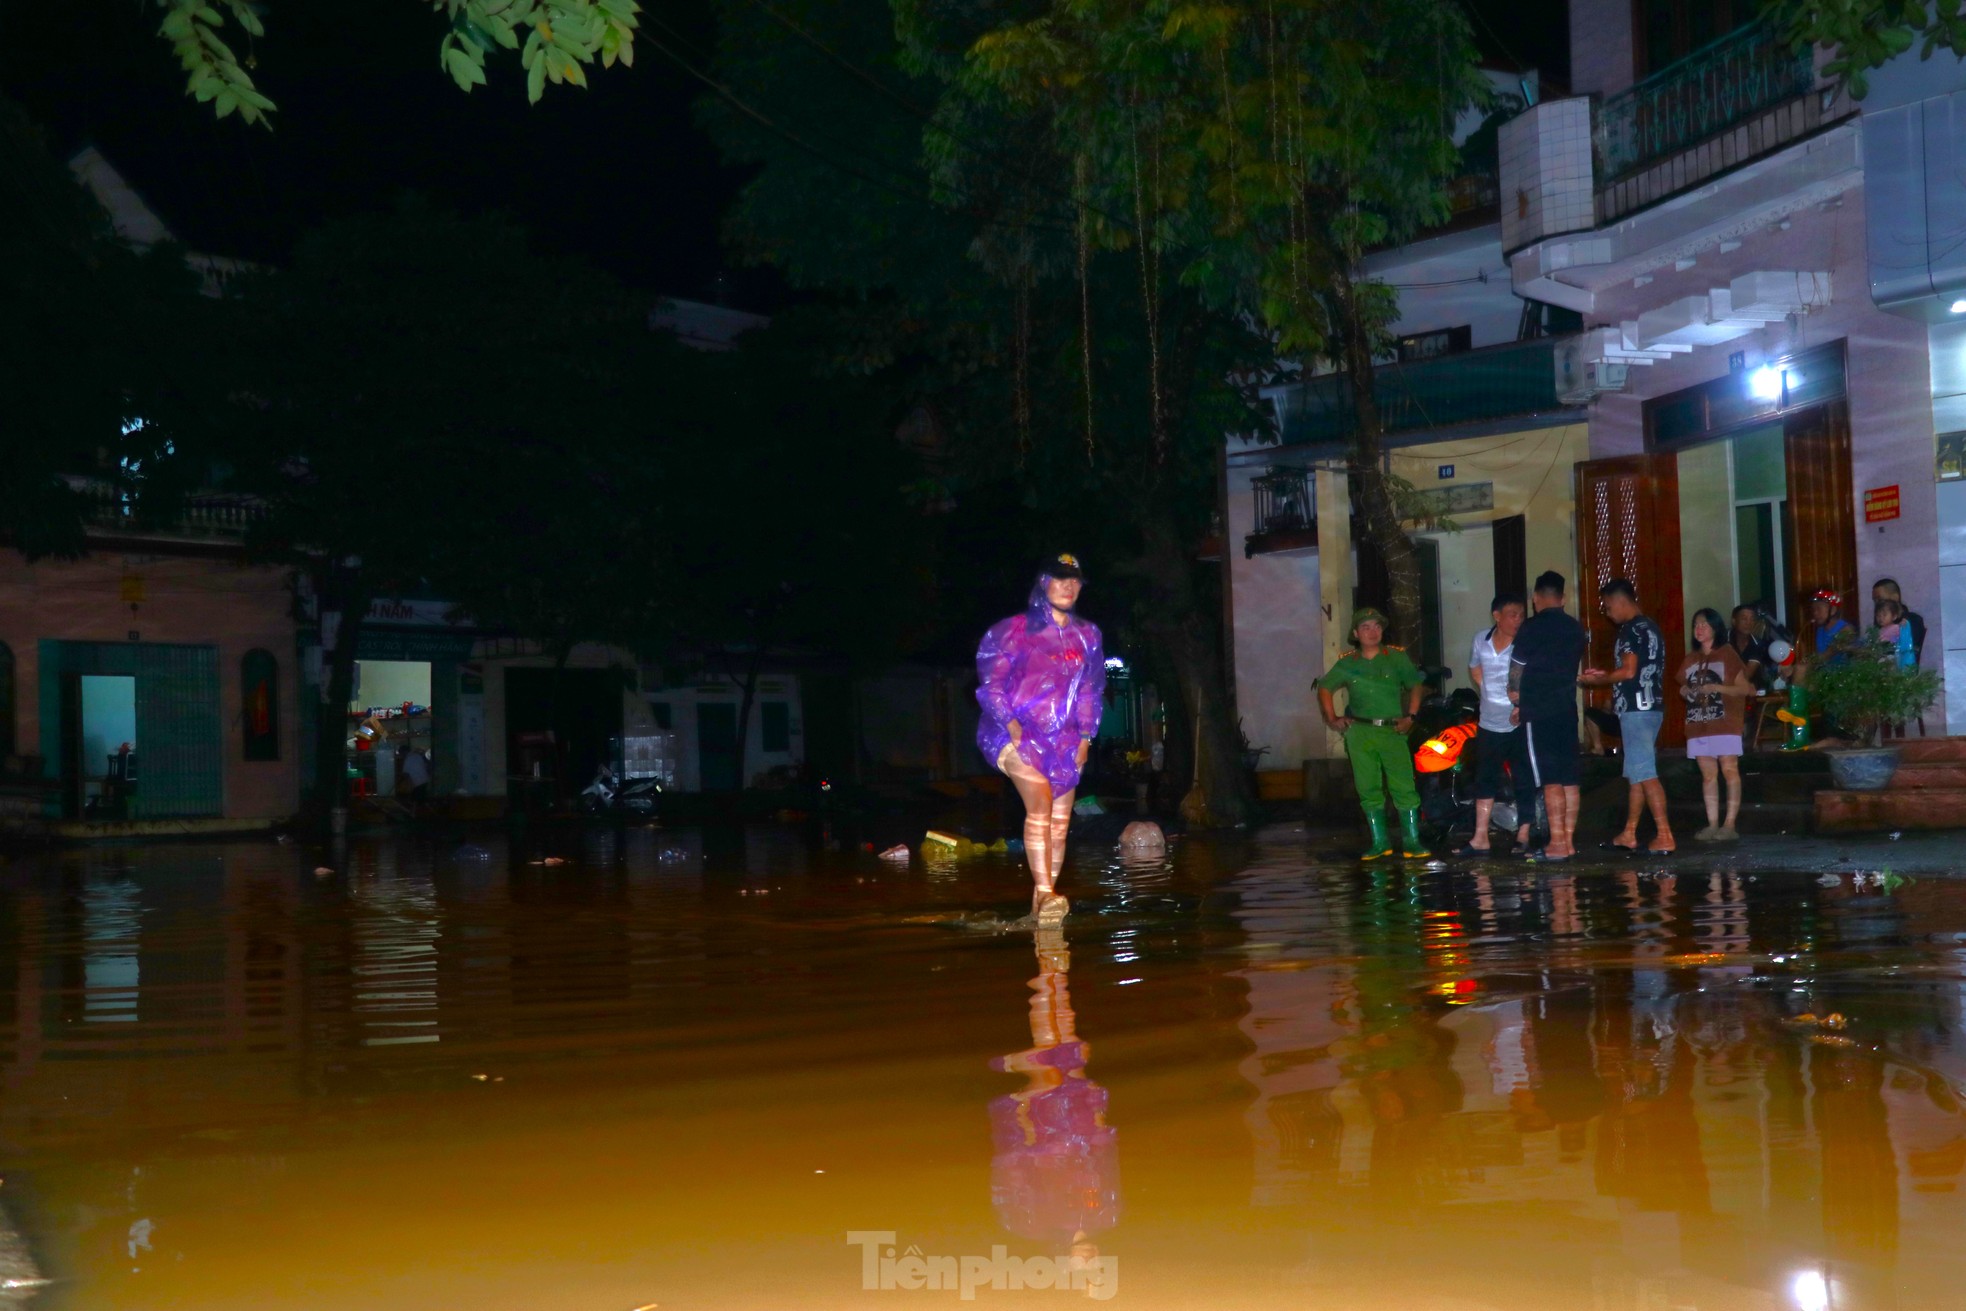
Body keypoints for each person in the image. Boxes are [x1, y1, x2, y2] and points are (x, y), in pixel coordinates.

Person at [977, 554, 1106, 922]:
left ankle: (1041, 908)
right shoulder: (1012, 631)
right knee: (1041, 804)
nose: (1068, 586)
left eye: (1075, 580)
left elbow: (1090, 690)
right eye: (1060, 579)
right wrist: (1012, 725)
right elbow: (991, 685)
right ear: (1043, 582)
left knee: (1061, 825)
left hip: (1063, 742)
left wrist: (1085, 737)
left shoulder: (1088, 635)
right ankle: (1048, 892)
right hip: (1012, 735)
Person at [1318, 607, 1427, 860]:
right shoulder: (1348, 663)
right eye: (1365, 627)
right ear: (1356, 633)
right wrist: (1332, 718)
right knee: (1368, 788)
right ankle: (1380, 843)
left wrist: (1411, 717)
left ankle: (1412, 842)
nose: (1372, 631)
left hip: (1393, 731)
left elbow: (1415, 684)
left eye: (1377, 626)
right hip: (1360, 732)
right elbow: (1325, 687)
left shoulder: (1396, 658)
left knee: (1403, 786)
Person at [1581, 578, 1675, 855]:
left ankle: (1665, 835)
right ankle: (1629, 833)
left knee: (1645, 773)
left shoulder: (1629, 630)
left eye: (1609, 607)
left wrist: (1600, 680)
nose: (1608, 614)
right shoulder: (1652, 628)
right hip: (1652, 706)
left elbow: (1629, 671)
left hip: (1636, 709)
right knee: (1636, 772)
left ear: (1621, 602)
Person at [1508, 571, 1588, 862]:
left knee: (1551, 778)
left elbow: (1517, 666)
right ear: (1563, 598)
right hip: (1567, 709)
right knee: (1570, 779)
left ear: (1536, 598)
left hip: (1539, 711)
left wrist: (1515, 694)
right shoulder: (1575, 628)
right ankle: (1568, 842)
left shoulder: (1531, 628)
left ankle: (1555, 843)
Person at [1461, 593, 1537, 856]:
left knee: (1523, 777)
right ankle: (1480, 837)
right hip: (1488, 723)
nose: (1518, 620)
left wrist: (1522, 704)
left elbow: (1535, 678)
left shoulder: (1525, 644)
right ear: (1497, 616)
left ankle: (1524, 835)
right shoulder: (1481, 640)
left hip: (1518, 722)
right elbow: (1475, 668)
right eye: (1512, 614)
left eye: (1521, 615)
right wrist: (1487, 691)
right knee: (1485, 778)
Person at [1677, 608, 1755, 842]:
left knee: (1729, 769)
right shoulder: (1691, 659)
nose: (1699, 629)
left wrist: (1717, 688)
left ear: (1715, 628)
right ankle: (1712, 824)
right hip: (1698, 722)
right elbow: (1683, 686)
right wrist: (1683, 690)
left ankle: (1729, 824)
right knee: (1708, 774)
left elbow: (1745, 689)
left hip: (1724, 721)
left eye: (1704, 625)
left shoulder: (1727, 654)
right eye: (1696, 625)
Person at [1872, 578, 1926, 664]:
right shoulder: (1880, 622)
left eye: (1880, 599)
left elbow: (1909, 649)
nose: (1877, 604)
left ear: (1895, 597)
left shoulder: (1913, 620)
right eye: (1875, 601)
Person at [1728, 604, 1772, 689]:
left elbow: (1747, 675)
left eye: (1752, 619)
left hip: (1748, 690)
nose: (1748, 623)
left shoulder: (1757, 644)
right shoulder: (1723, 640)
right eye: (1744, 619)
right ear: (1734, 621)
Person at [1871, 598, 1916, 668]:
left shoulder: (1895, 627)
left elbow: (1901, 634)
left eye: (1884, 615)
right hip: (1881, 655)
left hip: (1892, 656)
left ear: (1894, 616)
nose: (1880, 618)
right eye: (1878, 616)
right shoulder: (1880, 630)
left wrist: (1903, 623)